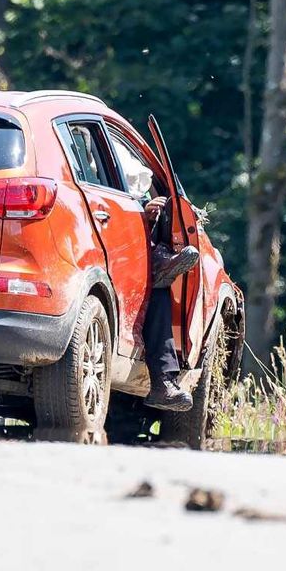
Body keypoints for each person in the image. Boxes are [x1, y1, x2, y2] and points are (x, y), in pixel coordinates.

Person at [110, 141, 199, 412]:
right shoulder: (94, 160)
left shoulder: (115, 152)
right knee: (157, 288)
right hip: (109, 255)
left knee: (157, 290)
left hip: (124, 263)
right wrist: (143, 214)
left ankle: (164, 382)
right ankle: (163, 381)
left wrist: (152, 213)